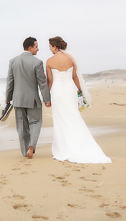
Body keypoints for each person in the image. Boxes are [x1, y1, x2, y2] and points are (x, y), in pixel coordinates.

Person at [46, 36, 111, 164]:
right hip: (70, 90)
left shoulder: (49, 61)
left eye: (50, 46)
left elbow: (50, 80)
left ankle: (64, 147)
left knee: (60, 118)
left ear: (55, 46)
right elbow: (75, 77)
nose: (49, 48)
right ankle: (78, 144)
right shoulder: (71, 59)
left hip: (57, 91)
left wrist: (46, 97)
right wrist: (81, 92)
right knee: (73, 116)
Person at [5, 37, 51, 159]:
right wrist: (47, 99)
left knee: (21, 126)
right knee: (35, 122)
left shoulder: (13, 61)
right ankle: (32, 146)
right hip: (33, 100)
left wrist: (7, 98)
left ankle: (25, 150)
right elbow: (42, 83)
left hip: (18, 99)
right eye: (36, 46)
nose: (38, 48)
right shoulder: (37, 62)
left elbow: (10, 81)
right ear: (30, 48)